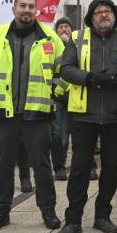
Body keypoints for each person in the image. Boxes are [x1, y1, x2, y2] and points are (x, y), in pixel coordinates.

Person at [55, 0, 117, 233]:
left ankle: (102, 216)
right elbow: (65, 68)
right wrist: (90, 78)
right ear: (90, 16)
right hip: (84, 115)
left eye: (108, 11)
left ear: (114, 16)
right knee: (80, 170)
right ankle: (73, 220)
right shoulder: (76, 38)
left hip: (116, 115)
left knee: (110, 170)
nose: (104, 15)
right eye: (98, 11)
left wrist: (116, 78)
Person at [0, 0, 64, 232]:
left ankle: (48, 211)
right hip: (4, 114)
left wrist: (56, 90)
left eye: (31, 6)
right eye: (22, 6)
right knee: (3, 166)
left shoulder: (50, 37)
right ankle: (1, 213)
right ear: (14, 9)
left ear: (37, 10)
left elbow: (65, 68)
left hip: (38, 114)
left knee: (42, 166)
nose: (26, 10)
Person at [51, 17, 74, 181]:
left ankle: (89, 167)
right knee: (58, 134)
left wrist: (68, 45)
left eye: (67, 27)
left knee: (76, 136)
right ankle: (59, 167)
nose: (64, 29)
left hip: (76, 97)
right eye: (60, 27)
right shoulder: (50, 46)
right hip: (58, 97)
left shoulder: (78, 45)